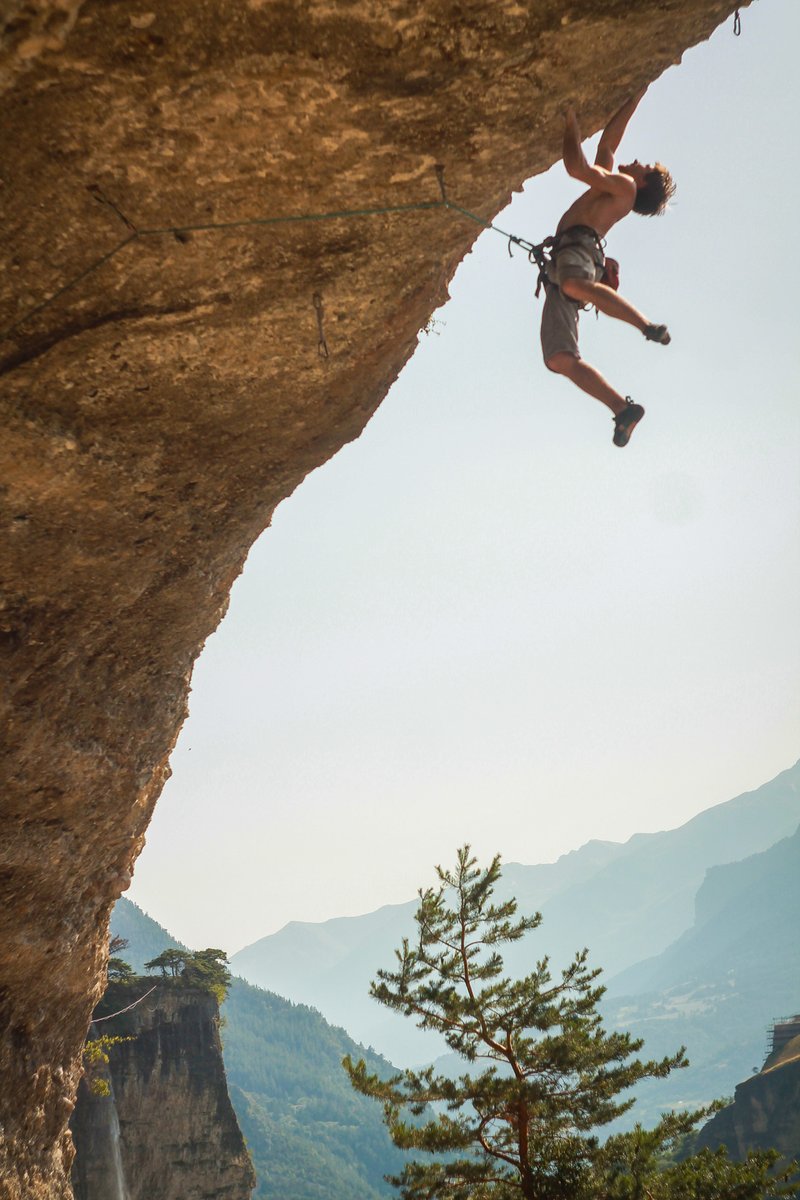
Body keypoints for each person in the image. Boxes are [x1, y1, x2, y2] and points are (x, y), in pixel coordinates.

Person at [540, 87, 676, 447]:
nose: (637, 162)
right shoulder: (619, 187)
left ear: (642, 181)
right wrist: (636, 95)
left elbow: (577, 168)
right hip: (566, 263)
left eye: (644, 167)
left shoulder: (625, 186)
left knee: (572, 284)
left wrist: (570, 119)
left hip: (578, 254)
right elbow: (609, 146)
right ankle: (622, 409)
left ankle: (646, 326)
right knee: (559, 357)